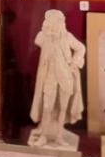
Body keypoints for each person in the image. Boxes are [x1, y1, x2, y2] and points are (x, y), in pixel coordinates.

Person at [29, 10, 85, 147]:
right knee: (47, 107)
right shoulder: (42, 36)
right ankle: (43, 136)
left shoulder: (67, 37)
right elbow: (38, 41)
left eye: (59, 21)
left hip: (66, 77)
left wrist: (74, 63)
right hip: (49, 77)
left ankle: (59, 136)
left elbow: (81, 48)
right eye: (53, 21)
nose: (56, 24)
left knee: (63, 108)